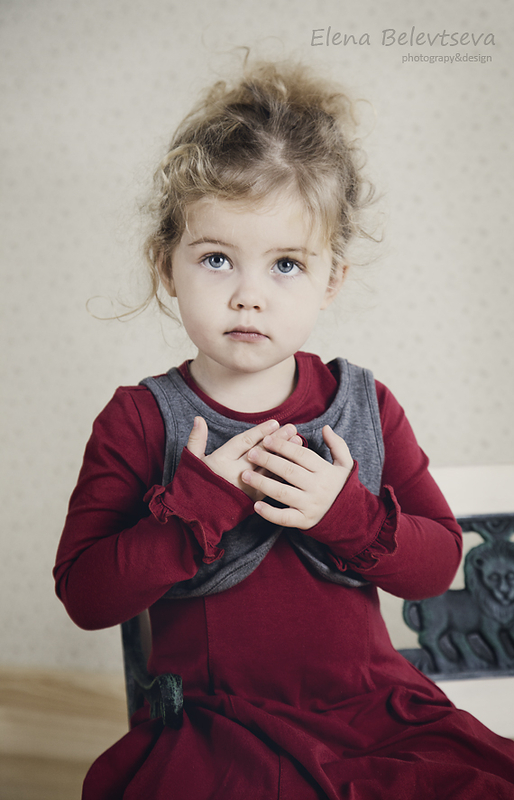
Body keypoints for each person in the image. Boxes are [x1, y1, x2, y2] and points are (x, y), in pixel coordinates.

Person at [54, 59, 514, 799]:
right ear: (166, 266)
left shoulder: (367, 405)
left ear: (333, 278)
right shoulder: (139, 420)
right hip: (218, 723)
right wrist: (192, 512)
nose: (249, 295)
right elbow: (86, 596)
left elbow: (436, 566)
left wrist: (348, 515)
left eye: (287, 265)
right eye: (216, 259)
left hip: (373, 710)